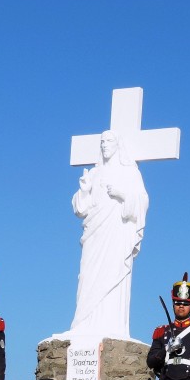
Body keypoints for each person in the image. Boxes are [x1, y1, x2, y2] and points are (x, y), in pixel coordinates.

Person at [59, 130, 149, 341]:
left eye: (109, 141)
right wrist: (83, 190)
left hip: (117, 231)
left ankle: (111, 323)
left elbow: (142, 200)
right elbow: (82, 209)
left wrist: (122, 194)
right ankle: (84, 322)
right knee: (87, 275)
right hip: (94, 232)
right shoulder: (94, 173)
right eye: (102, 141)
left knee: (113, 271)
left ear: (118, 145)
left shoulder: (130, 173)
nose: (105, 145)